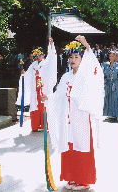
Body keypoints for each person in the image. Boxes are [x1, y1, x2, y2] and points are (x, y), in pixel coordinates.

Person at [41, 36, 104, 190]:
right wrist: (48, 98)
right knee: (69, 147)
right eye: (70, 57)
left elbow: (94, 65)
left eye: (77, 56)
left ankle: (84, 180)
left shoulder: (87, 75)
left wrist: (85, 44)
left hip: (81, 118)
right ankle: (71, 177)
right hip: (68, 118)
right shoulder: (65, 77)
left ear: (83, 59)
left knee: (81, 147)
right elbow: (58, 95)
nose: (73, 60)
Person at [16, 38, 57, 132]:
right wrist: (23, 74)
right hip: (35, 89)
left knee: (44, 105)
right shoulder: (33, 65)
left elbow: (52, 59)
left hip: (43, 87)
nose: (38, 57)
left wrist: (51, 46)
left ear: (43, 55)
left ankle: (44, 125)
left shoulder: (46, 63)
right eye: (36, 55)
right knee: (34, 105)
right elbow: (28, 76)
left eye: (40, 55)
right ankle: (35, 125)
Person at [102, 51, 118, 121]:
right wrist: (104, 83)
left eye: (112, 56)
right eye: (110, 56)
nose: (111, 58)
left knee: (117, 99)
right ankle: (110, 114)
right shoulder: (106, 65)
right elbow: (104, 75)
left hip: (116, 83)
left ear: (115, 57)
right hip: (109, 83)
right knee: (109, 99)